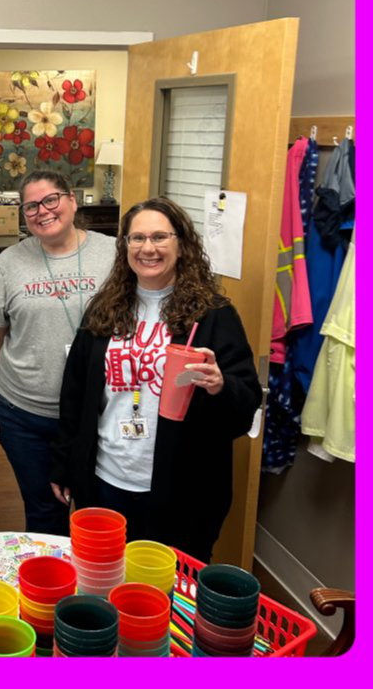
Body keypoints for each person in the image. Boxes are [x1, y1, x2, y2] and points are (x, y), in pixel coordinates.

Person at [49, 198, 263, 560]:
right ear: (125, 247)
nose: (148, 248)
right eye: (137, 238)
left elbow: (247, 402)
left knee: (168, 594)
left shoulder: (212, 315)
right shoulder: (106, 308)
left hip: (182, 487)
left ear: (182, 245)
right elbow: (74, 394)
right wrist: (65, 463)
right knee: (106, 578)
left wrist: (219, 385)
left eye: (160, 237)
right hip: (106, 478)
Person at [0, 170, 111, 534]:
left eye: (51, 199)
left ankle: (92, 587)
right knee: (44, 512)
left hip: (95, 413)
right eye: (31, 206)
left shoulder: (112, 254)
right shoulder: (9, 263)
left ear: (71, 200)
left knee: (96, 514)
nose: (42, 211)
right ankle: (53, 590)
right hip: (23, 412)